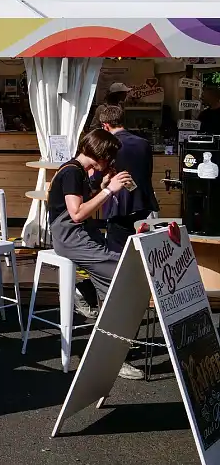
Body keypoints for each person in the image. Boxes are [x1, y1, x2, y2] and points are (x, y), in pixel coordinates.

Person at [47, 128, 144, 380]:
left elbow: (77, 206)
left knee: (112, 285)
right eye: (110, 157)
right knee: (123, 276)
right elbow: (77, 213)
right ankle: (110, 349)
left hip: (79, 236)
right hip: (73, 238)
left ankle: (111, 349)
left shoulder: (75, 170)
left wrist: (100, 186)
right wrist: (109, 190)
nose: (111, 162)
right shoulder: (71, 172)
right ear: (101, 154)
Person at [99, 105, 159, 253]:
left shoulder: (110, 145)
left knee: (118, 250)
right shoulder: (144, 143)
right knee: (142, 249)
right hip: (144, 201)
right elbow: (147, 172)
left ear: (105, 126)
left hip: (120, 205)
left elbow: (103, 174)